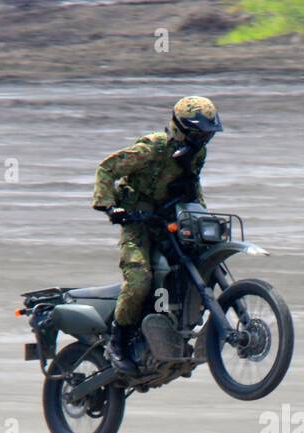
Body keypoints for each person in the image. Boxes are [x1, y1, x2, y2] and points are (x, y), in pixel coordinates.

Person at [91, 96, 223, 374]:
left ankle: (182, 329)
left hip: (170, 220)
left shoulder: (197, 153)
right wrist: (110, 207)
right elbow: (106, 169)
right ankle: (118, 339)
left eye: (208, 134)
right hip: (136, 221)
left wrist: (202, 217)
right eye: (199, 133)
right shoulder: (152, 148)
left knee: (202, 258)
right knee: (140, 278)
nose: (204, 140)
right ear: (181, 129)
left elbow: (193, 185)